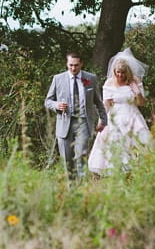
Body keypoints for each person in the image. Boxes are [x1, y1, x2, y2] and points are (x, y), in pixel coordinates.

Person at [88, 48, 152, 176]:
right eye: (118, 72)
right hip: (115, 117)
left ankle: (136, 172)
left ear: (127, 72)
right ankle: (116, 173)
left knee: (137, 144)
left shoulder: (135, 81)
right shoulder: (110, 83)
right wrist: (102, 121)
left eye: (123, 73)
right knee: (114, 144)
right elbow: (106, 105)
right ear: (114, 71)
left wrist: (137, 92)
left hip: (133, 116)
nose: (120, 76)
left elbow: (142, 103)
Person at [45, 52, 108, 180]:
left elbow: (98, 101)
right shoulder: (58, 79)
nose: (73, 68)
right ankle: (71, 190)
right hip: (64, 123)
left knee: (81, 157)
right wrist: (56, 105)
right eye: (70, 65)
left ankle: (81, 188)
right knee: (67, 161)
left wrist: (103, 120)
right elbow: (47, 101)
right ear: (67, 64)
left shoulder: (91, 78)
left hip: (83, 122)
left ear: (81, 64)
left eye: (76, 65)